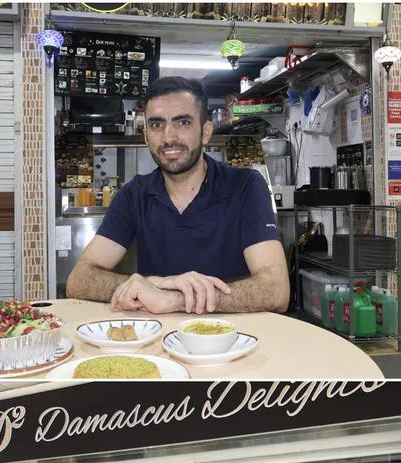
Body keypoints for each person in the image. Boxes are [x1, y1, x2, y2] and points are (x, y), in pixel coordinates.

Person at [66, 76, 290, 315]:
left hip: (235, 340)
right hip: (156, 338)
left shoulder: (245, 186)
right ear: (145, 137)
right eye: (156, 124)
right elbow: (78, 280)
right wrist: (155, 284)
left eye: (182, 123)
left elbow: (275, 291)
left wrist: (175, 300)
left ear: (205, 132)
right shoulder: (134, 195)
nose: (168, 137)